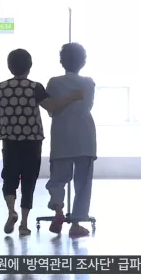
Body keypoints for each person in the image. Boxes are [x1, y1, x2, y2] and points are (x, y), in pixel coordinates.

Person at [0, 49, 81, 236]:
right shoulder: (34, 88)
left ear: (10, 66)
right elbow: (52, 106)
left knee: (9, 177)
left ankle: (11, 211)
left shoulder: (2, 87)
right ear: (29, 66)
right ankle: (24, 224)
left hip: (9, 140)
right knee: (29, 180)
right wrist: (72, 96)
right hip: (32, 141)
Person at [45, 43, 97, 238]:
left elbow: (51, 109)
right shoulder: (89, 83)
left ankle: (58, 211)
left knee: (58, 178)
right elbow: (88, 106)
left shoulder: (54, 82)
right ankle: (76, 224)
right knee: (83, 183)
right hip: (85, 138)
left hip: (62, 136)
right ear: (83, 62)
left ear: (61, 62)